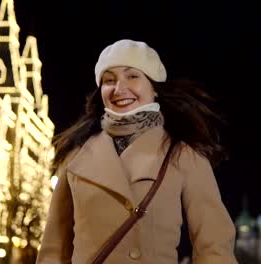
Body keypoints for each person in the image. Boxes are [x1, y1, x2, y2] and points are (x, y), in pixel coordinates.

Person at [36, 39, 237, 264]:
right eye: (109, 80)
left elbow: (214, 247)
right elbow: (54, 249)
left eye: (132, 76)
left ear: (154, 88)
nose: (119, 88)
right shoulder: (76, 156)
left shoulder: (183, 154)